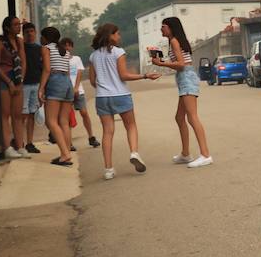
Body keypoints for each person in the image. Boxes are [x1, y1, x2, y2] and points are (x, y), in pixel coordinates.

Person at [89, 22, 158, 181]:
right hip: (120, 94)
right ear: (110, 35)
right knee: (131, 125)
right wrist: (146, 76)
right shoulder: (119, 52)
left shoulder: (93, 56)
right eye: (117, 33)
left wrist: (103, 86)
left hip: (102, 97)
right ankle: (134, 152)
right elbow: (123, 75)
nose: (119, 36)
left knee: (107, 132)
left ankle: (108, 169)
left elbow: (93, 81)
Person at [150, 17, 214, 168]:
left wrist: (161, 63)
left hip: (186, 77)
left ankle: (205, 154)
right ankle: (185, 154)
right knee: (180, 117)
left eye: (164, 26)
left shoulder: (174, 41)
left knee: (192, 117)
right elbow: (181, 63)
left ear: (172, 28)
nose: (161, 29)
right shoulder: (174, 41)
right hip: (185, 78)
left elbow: (181, 65)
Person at [39, 26, 76, 167]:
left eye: (42, 36)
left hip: (55, 82)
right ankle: (66, 153)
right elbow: (66, 71)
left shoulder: (46, 48)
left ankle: (65, 154)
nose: (40, 39)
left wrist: (41, 89)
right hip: (67, 83)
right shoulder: (65, 51)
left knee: (51, 121)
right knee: (64, 121)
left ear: (46, 38)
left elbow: (47, 69)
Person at [0, 15, 28, 159]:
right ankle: (7, 147)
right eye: (15, 25)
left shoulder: (19, 41)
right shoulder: (0, 42)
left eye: (19, 24)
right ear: (7, 27)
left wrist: (20, 81)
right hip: (4, 78)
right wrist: (9, 82)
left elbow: (23, 62)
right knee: (5, 114)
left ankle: (20, 146)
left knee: (18, 115)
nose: (19, 26)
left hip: (17, 79)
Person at [63, 38, 100, 148]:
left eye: (68, 45)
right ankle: (68, 142)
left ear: (72, 47)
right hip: (66, 92)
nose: (67, 48)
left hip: (78, 90)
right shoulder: (61, 60)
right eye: (64, 46)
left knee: (84, 113)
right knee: (68, 117)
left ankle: (91, 137)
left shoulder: (76, 59)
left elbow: (79, 73)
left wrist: (76, 88)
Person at [20, 22, 44, 154]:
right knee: (22, 115)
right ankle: (19, 142)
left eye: (31, 31)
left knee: (31, 114)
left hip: (36, 84)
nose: (29, 33)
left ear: (35, 33)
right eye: (27, 31)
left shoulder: (39, 49)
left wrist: (42, 87)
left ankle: (29, 142)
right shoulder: (21, 48)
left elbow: (43, 69)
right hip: (24, 86)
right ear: (23, 34)